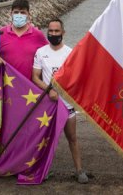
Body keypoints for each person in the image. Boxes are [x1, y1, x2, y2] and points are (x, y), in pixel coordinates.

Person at [32, 19, 89, 184]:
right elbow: (35, 76)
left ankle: (79, 170)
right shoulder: (41, 52)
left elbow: (77, 79)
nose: (53, 34)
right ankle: (45, 169)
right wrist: (48, 90)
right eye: (51, 31)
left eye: (57, 31)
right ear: (47, 32)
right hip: (49, 104)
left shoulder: (71, 53)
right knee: (47, 139)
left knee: (72, 137)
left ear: (63, 33)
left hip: (67, 104)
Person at [0, 0, 48, 78]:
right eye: (16, 12)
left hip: (29, 87)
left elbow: (48, 54)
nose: (19, 15)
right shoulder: (1, 33)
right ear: (11, 13)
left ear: (28, 14)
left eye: (23, 12)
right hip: (7, 86)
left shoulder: (38, 35)